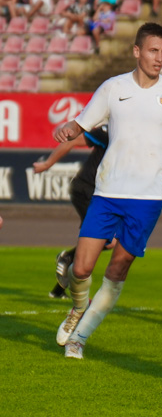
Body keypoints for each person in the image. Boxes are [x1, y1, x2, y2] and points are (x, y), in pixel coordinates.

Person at [53, 23, 162, 359]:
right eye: (153, 51)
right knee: (82, 268)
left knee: (117, 270)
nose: (159, 58)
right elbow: (83, 122)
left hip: (146, 200)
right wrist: (70, 126)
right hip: (108, 192)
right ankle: (77, 308)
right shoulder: (112, 88)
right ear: (136, 51)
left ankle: (79, 338)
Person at [33, 126, 111, 299]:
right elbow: (73, 141)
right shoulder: (109, 130)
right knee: (103, 241)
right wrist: (47, 163)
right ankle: (68, 259)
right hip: (87, 189)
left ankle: (58, 290)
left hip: (102, 193)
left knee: (104, 242)